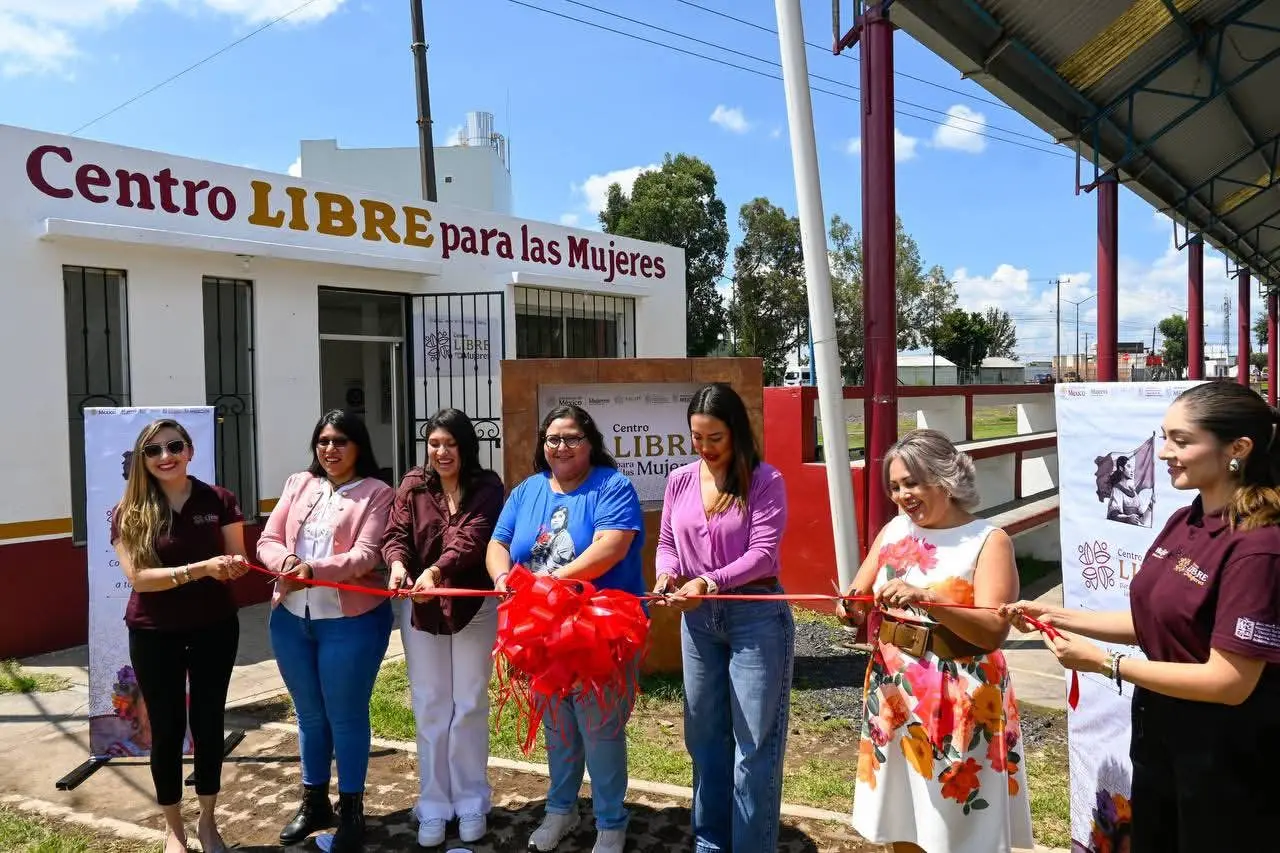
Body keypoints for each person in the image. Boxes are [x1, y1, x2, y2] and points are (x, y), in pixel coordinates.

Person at [1004, 381, 1280, 852]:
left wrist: (1105, 664)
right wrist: (1060, 616)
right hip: (1160, 736)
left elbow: (1229, 681)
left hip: (1227, 757)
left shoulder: (1259, 548)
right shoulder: (1187, 519)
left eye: (1182, 440)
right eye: (1164, 437)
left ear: (1238, 448)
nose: (1166, 452)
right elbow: (1157, 621)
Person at [837, 429, 1032, 853]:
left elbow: (992, 630)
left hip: (960, 691)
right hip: (895, 689)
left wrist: (928, 598)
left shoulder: (988, 540)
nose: (902, 495)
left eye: (912, 483)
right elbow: (860, 592)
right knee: (901, 809)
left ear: (945, 479)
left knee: (955, 819)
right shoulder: (894, 531)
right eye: (894, 486)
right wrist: (851, 607)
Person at [485, 404, 645, 853]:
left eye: (572, 438)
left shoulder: (612, 486)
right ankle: (561, 809)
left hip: (599, 630)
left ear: (590, 442)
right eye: (553, 439)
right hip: (541, 632)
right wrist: (502, 578)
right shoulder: (526, 491)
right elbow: (498, 543)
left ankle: (612, 822)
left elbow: (611, 547)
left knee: (599, 729)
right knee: (557, 727)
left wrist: (550, 580)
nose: (561, 447)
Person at [653, 382, 793, 852]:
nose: (705, 448)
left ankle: (753, 845)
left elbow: (763, 555)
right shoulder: (680, 480)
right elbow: (669, 543)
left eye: (715, 437)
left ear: (736, 433)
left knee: (753, 746)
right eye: (697, 437)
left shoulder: (765, 480)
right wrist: (667, 576)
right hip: (698, 623)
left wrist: (708, 582)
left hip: (755, 617)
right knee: (705, 738)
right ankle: (710, 843)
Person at [257, 410, 395, 853]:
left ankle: (352, 809)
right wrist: (287, 568)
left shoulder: (377, 493)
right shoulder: (299, 483)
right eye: (323, 441)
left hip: (349, 622)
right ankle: (314, 801)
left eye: (340, 441)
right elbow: (268, 540)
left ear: (359, 446)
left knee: (346, 714)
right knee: (310, 715)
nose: (330, 449)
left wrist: (312, 569)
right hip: (292, 620)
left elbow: (366, 554)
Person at [110, 418, 249, 853]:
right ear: (142, 459)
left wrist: (233, 565)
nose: (165, 456)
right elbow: (140, 579)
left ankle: (208, 821)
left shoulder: (219, 499)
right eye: (153, 450)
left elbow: (238, 557)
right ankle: (174, 829)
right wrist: (201, 569)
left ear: (190, 451)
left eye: (174, 446)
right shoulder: (129, 511)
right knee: (166, 731)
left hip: (214, 627)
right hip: (155, 634)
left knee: (208, 724)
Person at [382, 408, 505, 848]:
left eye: (450, 443)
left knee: (469, 702)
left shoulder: (487, 486)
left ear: (465, 446)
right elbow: (395, 532)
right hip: (421, 610)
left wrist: (434, 571)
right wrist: (398, 565)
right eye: (435, 444)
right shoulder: (414, 484)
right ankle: (433, 803)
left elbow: (471, 539)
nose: (441, 452)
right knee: (431, 703)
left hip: (472, 609)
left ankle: (472, 799)